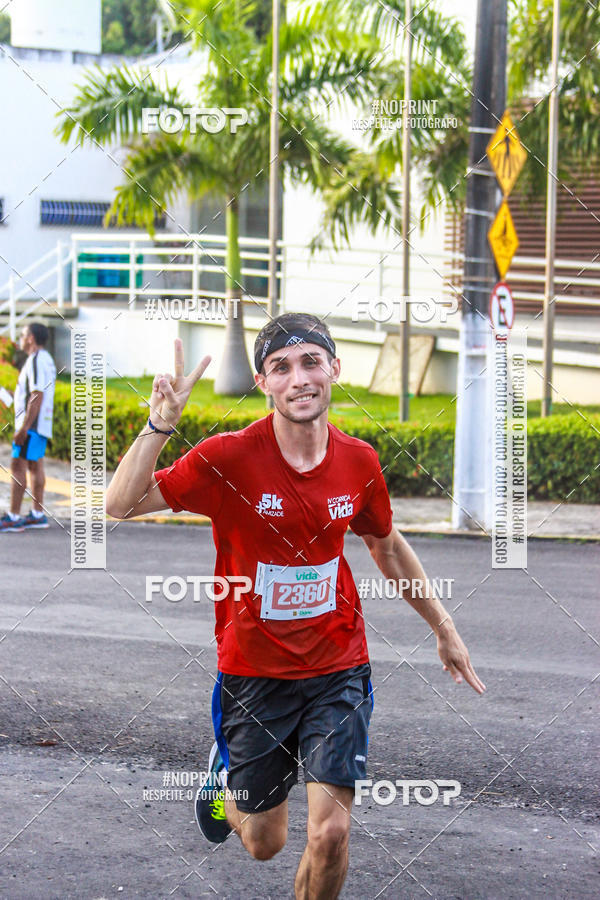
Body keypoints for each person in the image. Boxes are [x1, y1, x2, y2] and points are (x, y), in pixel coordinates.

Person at [106, 312, 485, 900]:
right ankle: (224, 784)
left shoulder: (358, 461)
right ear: (264, 383)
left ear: (335, 368)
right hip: (255, 672)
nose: (299, 378)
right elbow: (119, 505)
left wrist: (444, 626)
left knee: (331, 833)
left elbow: (385, 545)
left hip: (339, 666)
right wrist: (160, 423)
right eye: (281, 367)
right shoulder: (228, 459)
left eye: (312, 361)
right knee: (264, 841)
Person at [1, 322, 56, 533]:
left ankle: (14, 517)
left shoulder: (36, 360)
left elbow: (36, 394)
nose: (21, 338)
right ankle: (37, 514)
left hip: (31, 426)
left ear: (31, 338)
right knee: (35, 466)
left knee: (17, 466)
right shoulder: (46, 360)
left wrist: (23, 428)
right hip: (40, 424)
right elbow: (33, 393)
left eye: (23, 334)